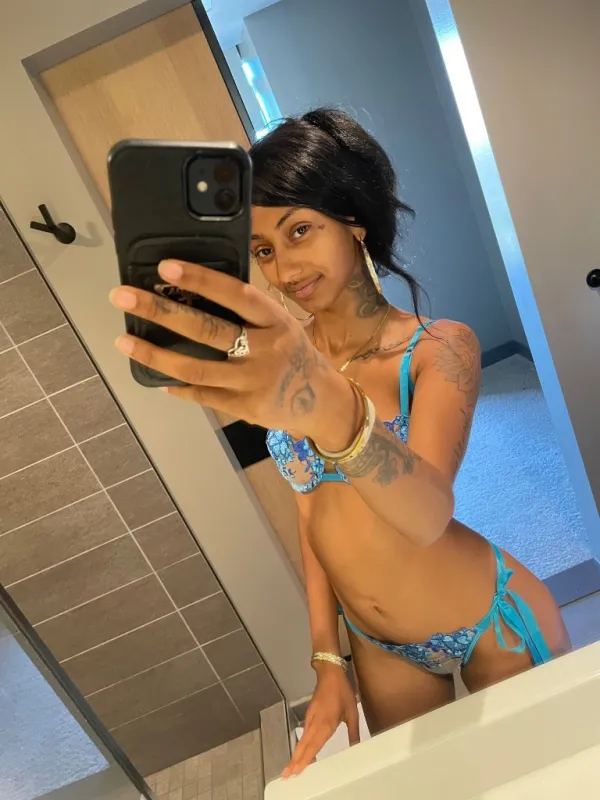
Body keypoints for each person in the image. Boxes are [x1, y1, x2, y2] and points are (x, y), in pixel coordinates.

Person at [109, 108, 571, 778]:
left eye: (299, 230)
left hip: (489, 619)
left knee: (540, 782)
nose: (283, 266)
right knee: (428, 788)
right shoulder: (285, 363)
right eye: (263, 250)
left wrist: (337, 414)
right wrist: (327, 658)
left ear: (352, 222)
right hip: (376, 643)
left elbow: (427, 513)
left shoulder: (437, 349)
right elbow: (311, 512)